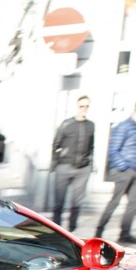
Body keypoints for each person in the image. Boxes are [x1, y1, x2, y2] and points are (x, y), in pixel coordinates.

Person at [95, 98, 136, 244]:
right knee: (114, 202)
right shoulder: (124, 127)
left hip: (134, 170)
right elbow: (113, 149)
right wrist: (124, 167)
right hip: (123, 171)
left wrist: (135, 168)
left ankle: (125, 233)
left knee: (132, 203)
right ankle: (99, 231)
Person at [51, 96, 95, 231]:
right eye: (82, 106)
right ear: (77, 107)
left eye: (87, 106)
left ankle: (72, 230)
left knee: (76, 202)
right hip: (65, 166)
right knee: (59, 202)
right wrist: (57, 162)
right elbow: (56, 144)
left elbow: (91, 146)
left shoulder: (91, 125)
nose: (84, 109)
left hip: (82, 169)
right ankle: (57, 230)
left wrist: (89, 165)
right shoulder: (67, 124)